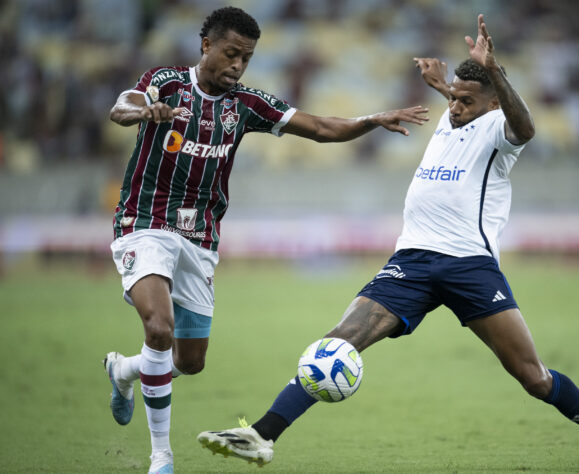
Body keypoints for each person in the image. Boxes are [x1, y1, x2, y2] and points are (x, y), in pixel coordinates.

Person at [197, 13, 579, 470]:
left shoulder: (501, 131)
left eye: (465, 101)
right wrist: (444, 85)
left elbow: (524, 126)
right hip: (411, 261)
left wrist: (492, 70)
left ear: (491, 103)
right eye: (451, 98)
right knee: (336, 343)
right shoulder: (456, 114)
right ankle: (260, 435)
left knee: (532, 378)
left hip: (469, 266)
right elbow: (463, 101)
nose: (453, 108)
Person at [102, 7, 428, 474]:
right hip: (145, 222)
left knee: (190, 362)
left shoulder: (247, 104)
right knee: (159, 327)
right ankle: (162, 458)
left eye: (247, 58)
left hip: (201, 238)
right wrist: (144, 110)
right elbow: (121, 107)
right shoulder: (166, 81)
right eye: (231, 54)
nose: (237, 66)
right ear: (206, 46)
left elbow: (319, 128)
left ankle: (125, 370)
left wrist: (373, 118)